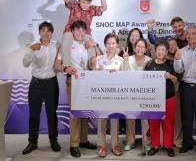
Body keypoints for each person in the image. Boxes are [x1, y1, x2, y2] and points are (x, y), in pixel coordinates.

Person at [55, 20, 97, 158]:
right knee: (75, 114)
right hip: (73, 81)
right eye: (77, 29)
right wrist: (66, 68)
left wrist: (94, 46)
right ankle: (74, 144)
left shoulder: (88, 44)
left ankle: (83, 140)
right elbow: (56, 66)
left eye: (82, 30)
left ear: (85, 31)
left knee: (85, 113)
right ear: (72, 31)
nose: (80, 32)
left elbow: (97, 61)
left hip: (88, 82)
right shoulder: (66, 45)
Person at [22, 21, 60, 155]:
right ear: (39, 32)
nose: (46, 33)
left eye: (49, 31)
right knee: (34, 115)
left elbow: (60, 62)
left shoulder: (57, 45)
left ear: (52, 33)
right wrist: (32, 50)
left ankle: (53, 140)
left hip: (51, 83)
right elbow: (25, 64)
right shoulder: (33, 46)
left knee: (52, 114)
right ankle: (32, 142)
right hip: (36, 84)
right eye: (43, 30)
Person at [173, 25, 196, 156]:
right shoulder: (181, 51)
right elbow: (178, 70)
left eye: (193, 33)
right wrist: (176, 59)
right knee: (186, 117)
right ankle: (187, 143)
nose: (190, 36)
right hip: (186, 86)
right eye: (188, 34)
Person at [92, 33, 124, 157]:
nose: (111, 46)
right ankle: (102, 146)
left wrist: (117, 74)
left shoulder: (121, 60)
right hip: (101, 95)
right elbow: (93, 78)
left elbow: (125, 79)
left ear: (117, 45)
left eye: (113, 43)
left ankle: (115, 145)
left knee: (115, 121)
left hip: (116, 95)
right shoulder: (99, 59)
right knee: (102, 121)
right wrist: (98, 72)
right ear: (105, 45)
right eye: (108, 43)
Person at [60, 0, 107, 68]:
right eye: (83, 2)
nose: (85, 5)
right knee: (66, 41)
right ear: (79, 1)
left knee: (91, 46)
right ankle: (66, 66)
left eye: (87, 3)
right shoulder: (74, 5)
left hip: (86, 32)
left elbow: (104, 8)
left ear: (90, 3)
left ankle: (91, 67)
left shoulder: (92, 9)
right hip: (70, 30)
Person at [144, 41, 177, 157]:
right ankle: (155, 145)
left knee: (168, 123)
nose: (160, 52)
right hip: (153, 99)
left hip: (169, 98)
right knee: (153, 123)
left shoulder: (171, 63)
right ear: (155, 50)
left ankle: (168, 145)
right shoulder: (149, 64)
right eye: (159, 49)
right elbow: (144, 80)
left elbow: (176, 80)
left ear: (167, 52)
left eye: (163, 50)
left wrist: (170, 76)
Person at [121, 38, 152, 151]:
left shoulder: (150, 60)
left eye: (142, 47)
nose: (140, 48)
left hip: (145, 95)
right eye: (138, 46)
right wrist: (124, 61)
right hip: (130, 94)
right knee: (130, 117)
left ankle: (146, 141)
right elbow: (123, 74)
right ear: (134, 48)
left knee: (146, 118)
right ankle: (130, 140)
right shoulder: (127, 58)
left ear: (146, 49)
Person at [166, 38, 183, 148]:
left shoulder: (181, 56)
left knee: (177, 117)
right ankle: (166, 139)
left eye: (174, 44)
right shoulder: (163, 57)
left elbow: (182, 74)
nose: (172, 46)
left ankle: (177, 140)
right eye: (169, 44)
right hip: (165, 92)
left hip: (177, 90)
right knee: (166, 117)